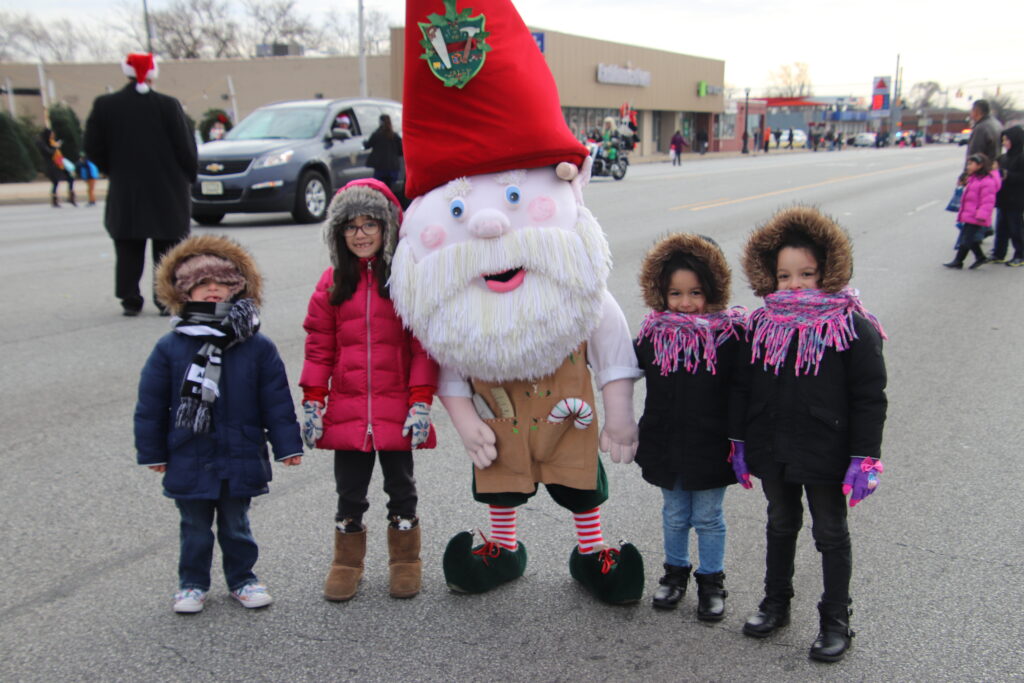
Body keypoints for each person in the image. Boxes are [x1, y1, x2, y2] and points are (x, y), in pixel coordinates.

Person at [392, 0, 645, 606]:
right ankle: (502, 548)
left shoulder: (578, 293)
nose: (483, 223)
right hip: (500, 415)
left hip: (568, 416)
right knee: (500, 481)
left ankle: (593, 551)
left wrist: (619, 412)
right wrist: (464, 421)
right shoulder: (456, 314)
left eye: (512, 195)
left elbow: (612, 348)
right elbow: (450, 371)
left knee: (582, 481)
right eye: (458, 210)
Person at [733, 207, 888, 663]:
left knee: (830, 532)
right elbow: (743, 388)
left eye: (806, 274)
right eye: (784, 275)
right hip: (774, 443)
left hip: (827, 448)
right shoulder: (760, 326)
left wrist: (864, 455)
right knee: (781, 523)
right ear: (770, 276)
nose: (795, 284)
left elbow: (868, 396)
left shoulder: (851, 326)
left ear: (827, 272)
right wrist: (738, 440)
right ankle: (775, 603)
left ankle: (835, 620)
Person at [134, 234, 303, 614]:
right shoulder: (171, 346)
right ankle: (192, 584)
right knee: (194, 527)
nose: (212, 289)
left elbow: (276, 400)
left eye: (222, 283)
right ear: (183, 291)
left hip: (239, 451)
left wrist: (287, 445)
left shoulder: (257, 346)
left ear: (238, 288)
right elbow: (151, 404)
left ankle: (242, 578)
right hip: (187, 453)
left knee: (236, 524)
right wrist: (153, 452)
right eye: (200, 283)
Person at [300, 178, 439, 602]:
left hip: (398, 407)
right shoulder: (330, 285)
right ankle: (346, 562)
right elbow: (318, 347)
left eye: (370, 224)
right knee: (349, 490)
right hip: (348, 408)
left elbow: (422, 347)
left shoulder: (404, 279)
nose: (361, 235)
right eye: (351, 226)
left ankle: (405, 560)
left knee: (401, 487)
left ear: (388, 228)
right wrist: (312, 400)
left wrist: (420, 402)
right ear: (339, 234)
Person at [634, 233, 748, 621]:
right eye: (675, 293)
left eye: (695, 292)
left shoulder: (730, 337)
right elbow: (617, 366)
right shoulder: (652, 335)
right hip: (665, 440)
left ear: (713, 291)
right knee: (674, 513)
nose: (685, 303)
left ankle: (712, 581)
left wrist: (740, 441)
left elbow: (743, 390)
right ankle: (674, 574)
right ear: (660, 293)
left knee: (709, 517)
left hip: (711, 444)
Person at [84, 52, 197, 317]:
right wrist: (190, 175)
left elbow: (92, 146)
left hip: (127, 189)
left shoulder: (105, 105)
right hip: (167, 188)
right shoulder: (168, 105)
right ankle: (164, 298)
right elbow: (185, 146)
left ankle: (129, 297)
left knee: (128, 247)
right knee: (167, 249)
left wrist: (111, 169)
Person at [945, 153, 1002, 269]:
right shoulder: (975, 179)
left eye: (971, 164)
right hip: (970, 214)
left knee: (966, 239)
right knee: (968, 238)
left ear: (980, 165)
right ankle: (978, 258)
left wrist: (981, 215)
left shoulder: (987, 182)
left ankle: (959, 260)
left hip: (976, 216)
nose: (968, 166)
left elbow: (988, 202)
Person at [990, 126, 1024, 266]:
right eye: (1003, 140)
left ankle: (1020, 254)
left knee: (1015, 228)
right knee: (1001, 228)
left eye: (1006, 140)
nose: (1004, 143)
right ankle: (998, 253)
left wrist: (1008, 175)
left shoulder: (1021, 157)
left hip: (1016, 198)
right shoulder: (1002, 157)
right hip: (1002, 198)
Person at [35, 128, 76, 208]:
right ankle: (54, 200)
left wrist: (56, 146)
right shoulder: (42, 144)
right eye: (51, 134)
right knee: (55, 182)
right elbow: (49, 153)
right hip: (52, 165)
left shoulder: (52, 142)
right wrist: (56, 147)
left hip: (60, 163)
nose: (53, 135)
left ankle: (71, 197)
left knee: (70, 178)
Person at [363, 114, 403, 193]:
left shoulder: (377, 135)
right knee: (390, 190)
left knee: (378, 189)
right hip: (393, 169)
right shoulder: (395, 136)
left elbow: (368, 145)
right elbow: (401, 151)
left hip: (380, 169)